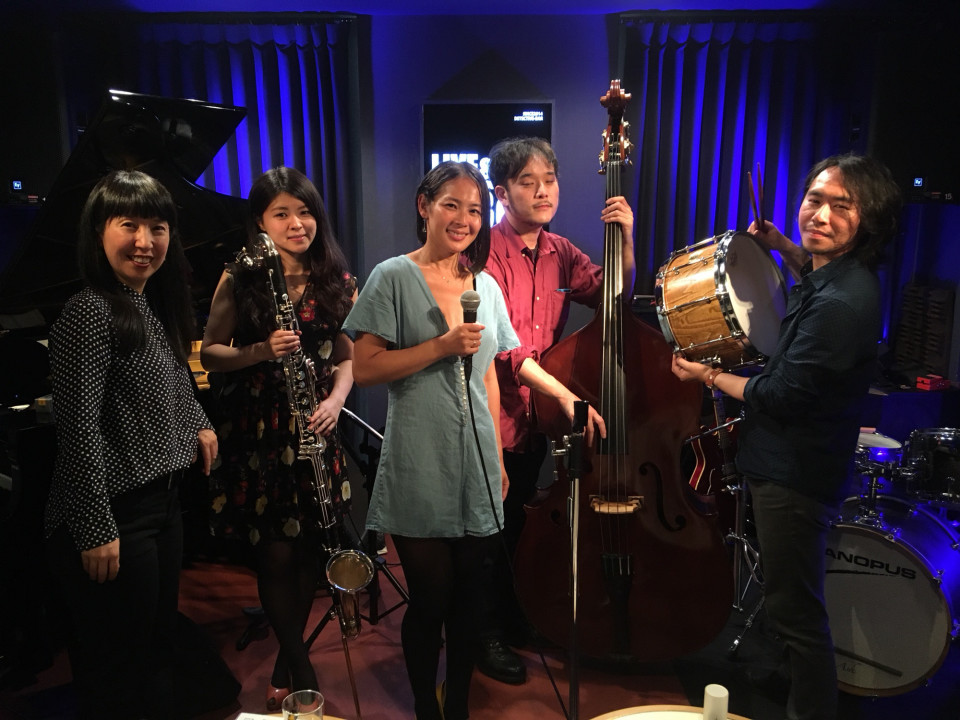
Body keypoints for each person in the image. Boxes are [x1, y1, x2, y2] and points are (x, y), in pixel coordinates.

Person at [671, 153, 901, 720]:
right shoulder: (838, 277)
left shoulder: (843, 304)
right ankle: (784, 683)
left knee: (797, 613)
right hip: (792, 465)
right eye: (814, 200)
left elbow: (779, 394)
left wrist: (708, 376)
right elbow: (812, 277)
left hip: (795, 476)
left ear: (869, 220)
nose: (820, 215)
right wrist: (781, 247)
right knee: (786, 600)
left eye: (841, 207)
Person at [342, 161, 520, 720]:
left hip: (477, 461)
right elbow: (365, 368)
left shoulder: (486, 286)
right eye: (452, 205)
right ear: (425, 206)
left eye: (476, 210)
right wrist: (440, 347)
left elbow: (489, 378)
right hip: (419, 460)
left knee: (470, 603)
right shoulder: (392, 275)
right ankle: (426, 707)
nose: (465, 219)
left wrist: (496, 457)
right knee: (430, 601)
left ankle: (457, 706)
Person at [44, 170, 218, 719]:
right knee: (122, 664)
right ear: (99, 231)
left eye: (157, 228)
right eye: (129, 225)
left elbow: (174, 378)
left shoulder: (143, 303)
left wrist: (199, 420)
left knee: (155, 644)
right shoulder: (88, 310)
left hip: (159, 506)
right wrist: (96, 526)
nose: (145, 241)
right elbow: (77, 429)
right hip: (116, 512)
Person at [200, 166, 356, 711]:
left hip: (316, 430)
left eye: (305, 211)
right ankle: (301, 665)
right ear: (260, 222)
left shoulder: (337, 278)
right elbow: (210, 352)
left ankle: (287, 661)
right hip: (261, 434)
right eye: (281, 213)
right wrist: (261, 350)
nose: (297, 224)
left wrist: (336, 401)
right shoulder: (240, 278)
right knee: (275, 555)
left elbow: (347, 357)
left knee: (310, 550)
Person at [477, 136, 631, 683]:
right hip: (493, 415)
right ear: (502, 193)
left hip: (535, 418)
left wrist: (625, 238)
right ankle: (483, 635)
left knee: (519, 525)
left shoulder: (562, 251)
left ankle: (511, 617)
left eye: (550, 181)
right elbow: (507, 349)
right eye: (528, 182)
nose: (543, 192)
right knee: (490, 533)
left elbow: (613, 297)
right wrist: (565, 395)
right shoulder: (486, 252)